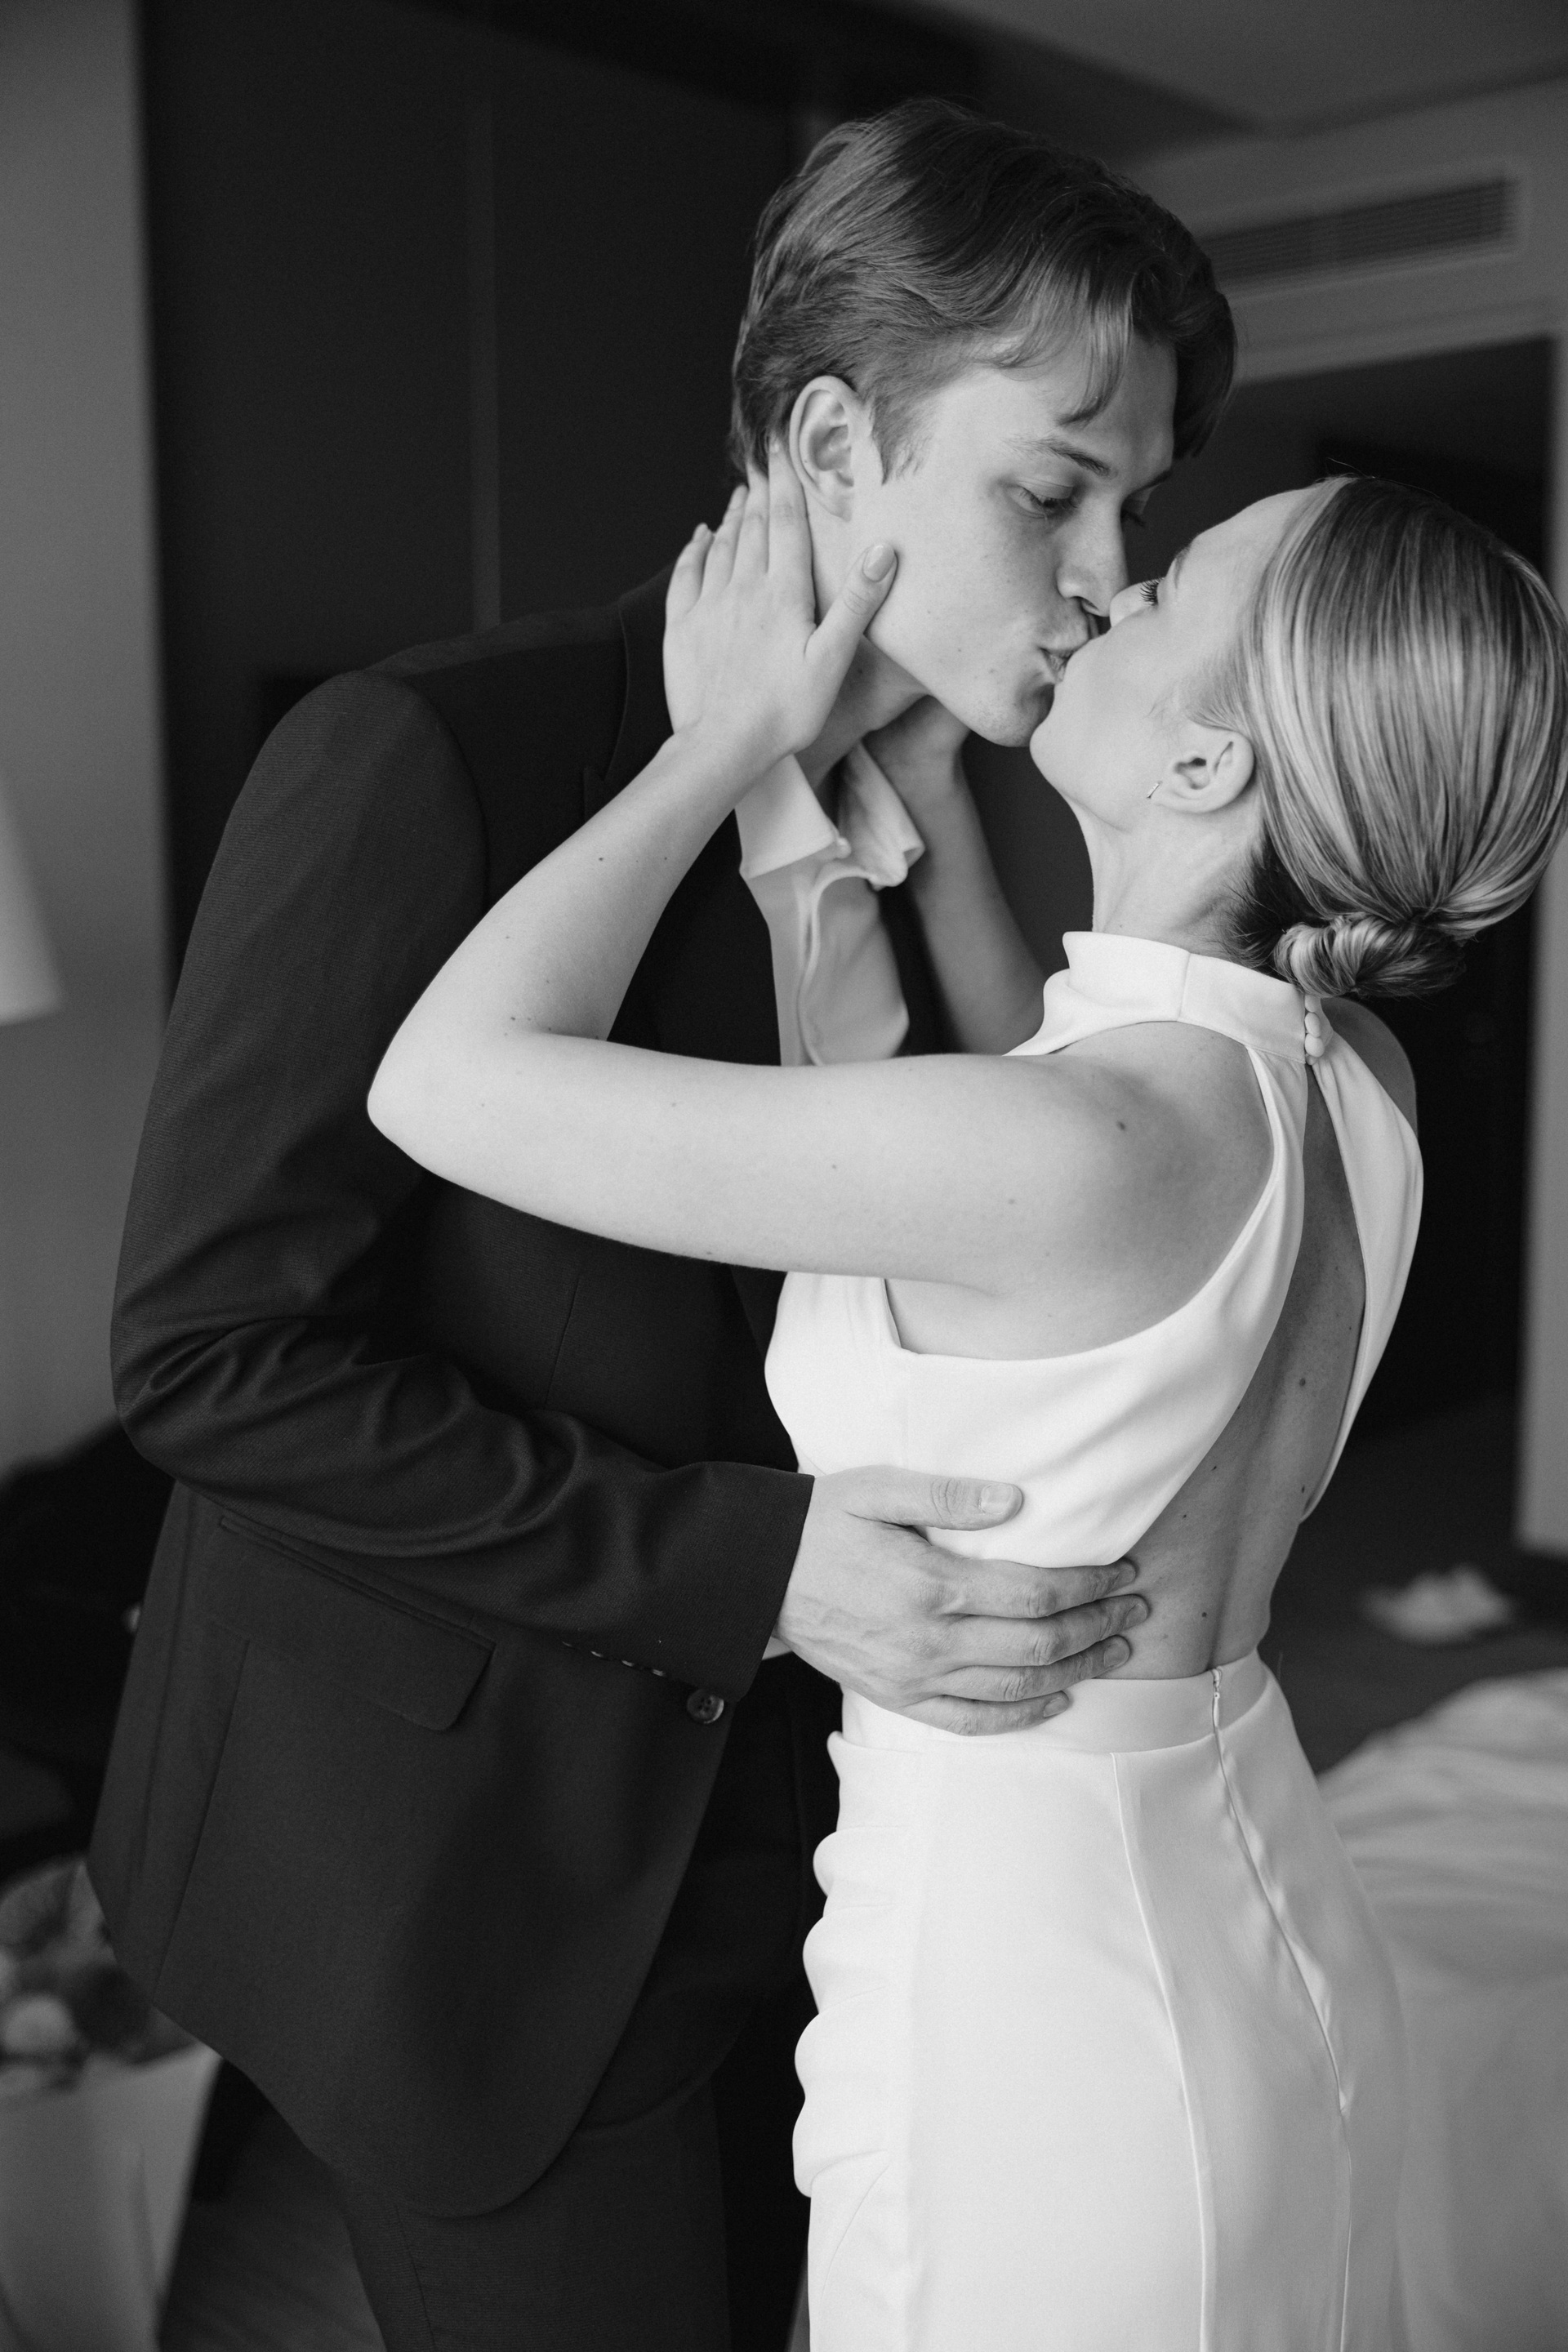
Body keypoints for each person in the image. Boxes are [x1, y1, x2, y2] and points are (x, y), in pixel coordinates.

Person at [89, 103, 1234, 2352]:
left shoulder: (975, 820)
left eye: (1144, 503)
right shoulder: (433, 758)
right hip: (473, 1875)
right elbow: (213, 1360)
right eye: (1051, 490)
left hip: (824, 1840)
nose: (1113, 570)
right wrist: (755, 1569)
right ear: (832, 448)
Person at [367, 451, 1568, 2350]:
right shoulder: (1348, 1087)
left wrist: (719, 741)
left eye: (1170, 587)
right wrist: (933, 799)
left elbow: (439, 1083)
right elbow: (1076, 1078)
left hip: (1043, 2026)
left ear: (1205, 763)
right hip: (1246, 1908)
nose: (1108, 587)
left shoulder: (1066, 1151)